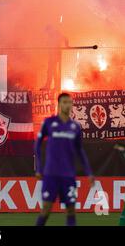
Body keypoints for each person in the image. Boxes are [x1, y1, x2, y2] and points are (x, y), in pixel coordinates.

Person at [34, 93, 94, 226]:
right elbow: (37, 144)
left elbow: (80, 151)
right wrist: (39, 168)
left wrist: (89, 172)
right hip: (51, 175)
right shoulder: (49, 123)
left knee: (71, 210)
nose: (68, 105)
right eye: (65, 102)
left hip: (68, 176)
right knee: (46, 209)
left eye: (70, 102)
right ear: (59, 104)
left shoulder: (75, 127)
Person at [42, 24, 69, 90]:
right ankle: (52, 86)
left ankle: (51, 86)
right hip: (52, 54)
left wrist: (66, 45)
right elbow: (49, 43)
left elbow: (65, 38)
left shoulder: (57, 33)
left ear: (50, 29)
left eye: (48, 31)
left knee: (52, 70)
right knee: (51, 70)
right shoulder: (51, 36)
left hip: (56, 54)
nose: (47, 33)